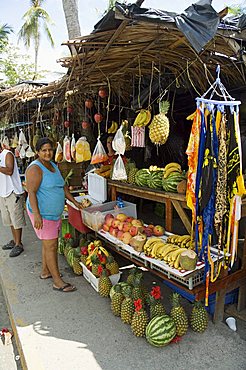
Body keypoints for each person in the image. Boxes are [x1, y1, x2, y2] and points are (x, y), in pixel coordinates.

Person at [25, 137, 82, 293]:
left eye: (50, 149)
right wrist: (37, 215)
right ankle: (57, 282)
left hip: (53, 214)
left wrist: (74, 202)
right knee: (51, 245)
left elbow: (63, 187)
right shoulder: (35, 169)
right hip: (43, 214)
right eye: (44, 150)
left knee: (48, 243)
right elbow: (31, 193)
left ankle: (46, 271)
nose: (48, 152)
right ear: (37, 152)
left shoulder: (53, 166)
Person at [0, 140, 26, 257]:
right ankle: (14, 240)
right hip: (3, 192)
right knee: (9, 219)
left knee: (16, 219)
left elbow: (9, 171)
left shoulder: (7, 154)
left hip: (13, 192)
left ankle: (18, 243)